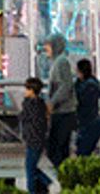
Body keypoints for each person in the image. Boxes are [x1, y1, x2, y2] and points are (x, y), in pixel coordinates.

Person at [43, 32, 77, 172]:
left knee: (56, 148)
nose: (46, 50)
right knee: (58, 149)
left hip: (64, 112)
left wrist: (52, 102)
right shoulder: (57, 62)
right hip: (61, 111)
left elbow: (66, 85)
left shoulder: (61, 62)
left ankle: (66, 176)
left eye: (48, 47)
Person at [21, 75, 50, 194]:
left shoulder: (30, 105)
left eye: (27, 89)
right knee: (31, 166)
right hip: (38, 139)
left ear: (32, 91)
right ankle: (44, 183)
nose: (25, 91)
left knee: (29, 168)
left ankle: (36, 187)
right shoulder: (40, 104)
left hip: (33, 140)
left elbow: (27, 120)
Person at [73, 57, 100, 157]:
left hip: (88, 124)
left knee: (83, 153)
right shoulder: (91, 84)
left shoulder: (88, 87)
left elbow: (84, 105)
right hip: (89, 123)